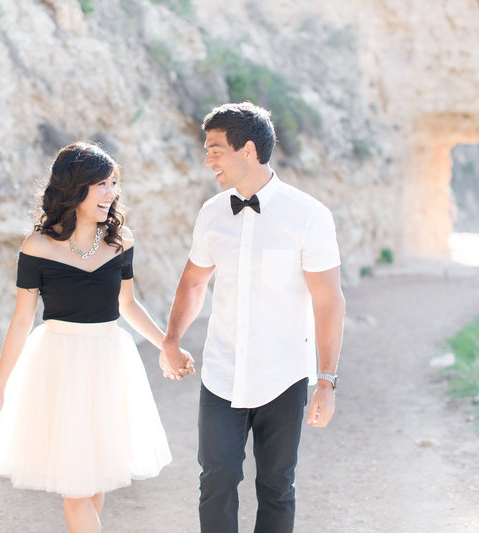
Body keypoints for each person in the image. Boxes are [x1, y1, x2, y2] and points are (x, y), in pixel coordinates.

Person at [0, 142, 190, 533]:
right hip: (59, 364)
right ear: (75, 189)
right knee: (76, 491)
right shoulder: (37, 247)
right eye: (101, 184)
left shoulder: (121, 240)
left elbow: (127, 304)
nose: (111, 193)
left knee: (95, 479)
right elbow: (21, 321)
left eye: (114, 184)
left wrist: (167, 345)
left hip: (109, 361)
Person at [159, 102, 346, 532]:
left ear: (247, 150)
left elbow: (329, 302)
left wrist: (327, 381)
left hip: (283, 376)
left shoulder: (309, 216)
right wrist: (171, 340)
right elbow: (192, 283)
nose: (208, 160)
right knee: (217, 481)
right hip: (222, 374)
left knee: (277, 486)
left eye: (215, 149)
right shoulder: (211, 213)